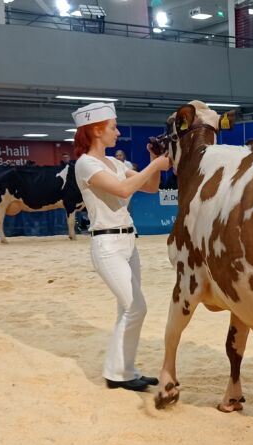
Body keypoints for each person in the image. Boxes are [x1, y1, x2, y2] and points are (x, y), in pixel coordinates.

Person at [71, 102, 172, 392]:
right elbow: (124, 190)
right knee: (136, 306)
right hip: (106, 243)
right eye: (113, 127)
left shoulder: (116, 164)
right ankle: (116, 373)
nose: (117, 132)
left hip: (129, 240)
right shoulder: (85, 164)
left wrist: (153, 159)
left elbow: (150, 188)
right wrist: (155, 164)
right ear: (97, 129)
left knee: (127, 309)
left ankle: (125, 370)